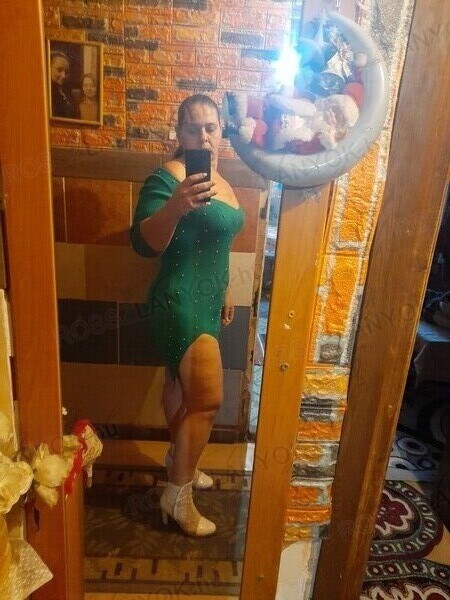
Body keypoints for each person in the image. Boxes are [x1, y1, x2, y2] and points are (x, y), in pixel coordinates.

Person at [130, 94, 244, 537]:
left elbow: (217, 243)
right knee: (209, 399)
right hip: (178, 300)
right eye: (193, 128)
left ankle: (181, 460)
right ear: (180, 133)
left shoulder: (224, 181)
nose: (203, 136)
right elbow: (143, 243)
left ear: (221, 131)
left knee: (180, 389)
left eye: (211, 127)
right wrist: (175, 206)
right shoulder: (168, 177)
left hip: (207, 300)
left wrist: (225, 289)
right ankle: (176, 496)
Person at [50, 51, 79, 119]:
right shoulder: (47, 94)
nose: (63, 76)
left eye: (66, 72)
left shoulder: (67, 92)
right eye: (59, 70)